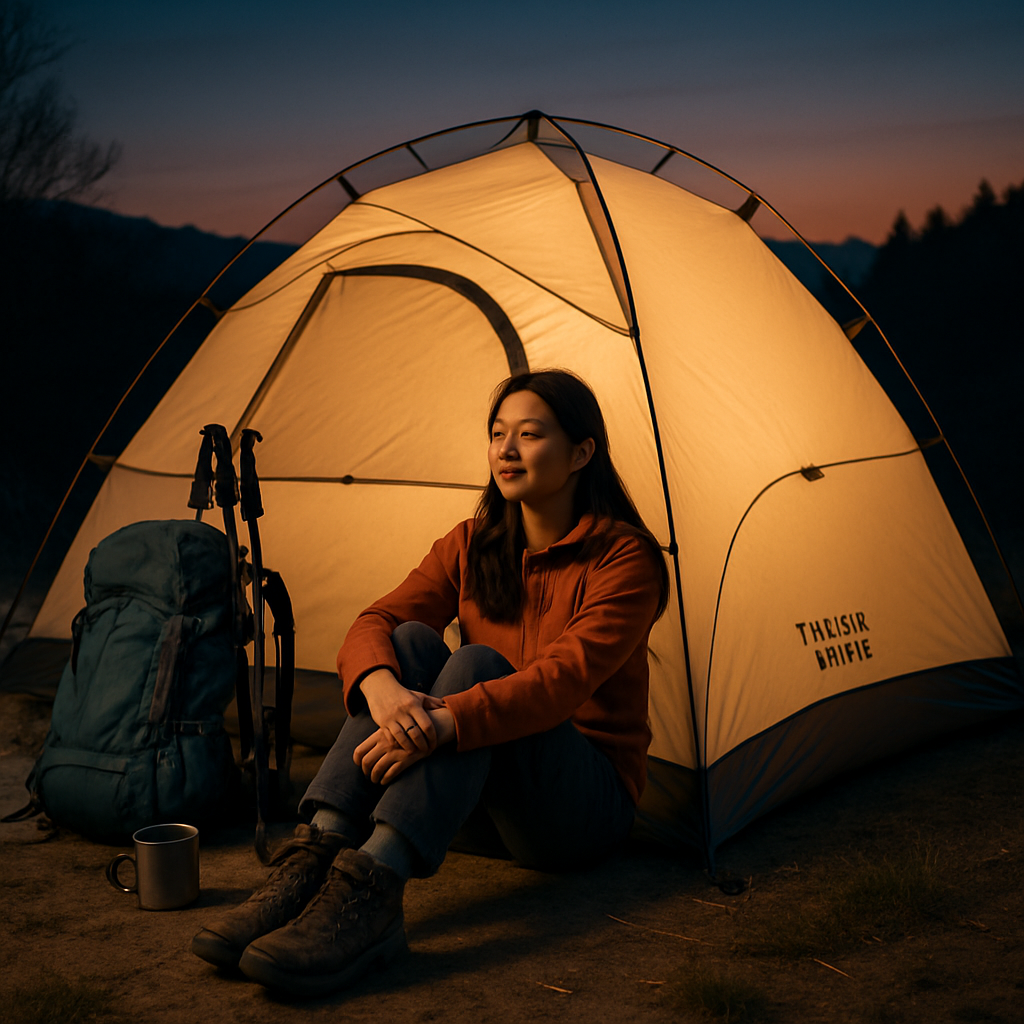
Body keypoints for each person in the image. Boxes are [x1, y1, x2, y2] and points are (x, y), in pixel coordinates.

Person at [191, 368, 669, 997]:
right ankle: (315, 859)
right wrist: (384, 690)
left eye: (529, 434)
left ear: (582, 453)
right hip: (473, 801)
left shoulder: (626, 558)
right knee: (408, 643)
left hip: (576, 810)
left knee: (476, 665)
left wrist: (444, 719)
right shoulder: (473, 542)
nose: (506, 450)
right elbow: (374, 621)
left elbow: (561, 682)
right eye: (497, 434)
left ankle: (373, 892)